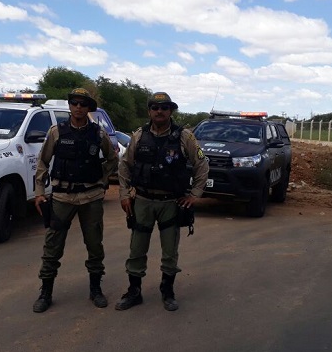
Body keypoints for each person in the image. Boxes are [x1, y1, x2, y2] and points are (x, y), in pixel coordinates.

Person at [115, 92, 209, 312]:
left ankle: (168, 291)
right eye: (155, 107)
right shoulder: (139, 135)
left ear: (171, 111)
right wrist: (124, 193)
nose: (159, 111)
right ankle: (134, 291)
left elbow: (202, 165)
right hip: (143, 200)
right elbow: (125, 165)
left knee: (169, 251)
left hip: (171, 202)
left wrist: (195, 194)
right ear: (149, 111)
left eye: (164, 107)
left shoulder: (184, 137)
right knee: (137, 249)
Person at [32, 88, 118, 313]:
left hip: (91, 196)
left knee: (94, 245)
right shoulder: (56, 132)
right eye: (75, 103)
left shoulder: (98, 134)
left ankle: (95, 289)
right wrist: (39, 192)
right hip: (62, 196)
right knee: (52, 245)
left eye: (83, 104)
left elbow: (112, 158)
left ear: (89, 108)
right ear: (70, 106)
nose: (78, 107)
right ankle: (45, 292)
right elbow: (42, 162)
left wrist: (101, 178)